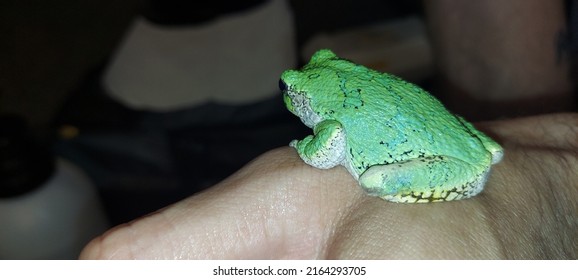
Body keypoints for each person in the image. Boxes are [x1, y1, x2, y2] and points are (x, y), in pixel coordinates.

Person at [80, 0, 578, 259]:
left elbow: (327, 148)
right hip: (481, 146)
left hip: (457, 168)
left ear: (298, 97)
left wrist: (306, 144)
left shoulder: (323, 114)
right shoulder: (344, 80)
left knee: (375, 179)